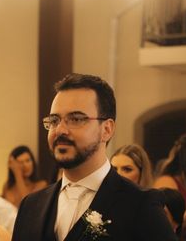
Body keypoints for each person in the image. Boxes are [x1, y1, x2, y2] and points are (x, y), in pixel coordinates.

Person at [11, 73, 176, 241]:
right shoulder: (31, 205)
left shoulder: (140, 204)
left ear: (107, 129)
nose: (60, 130)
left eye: (75, 119)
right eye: (54, 120)